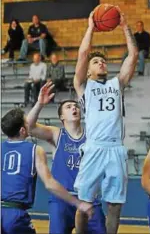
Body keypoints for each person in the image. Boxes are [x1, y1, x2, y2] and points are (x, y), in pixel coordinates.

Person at [73, 8, 138, 234]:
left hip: (115, 149)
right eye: (96, 62)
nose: (101, 63)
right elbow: (83, 55)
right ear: (89, 71)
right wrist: (91, 27)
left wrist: (125, 27)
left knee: (115, 205)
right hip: (94, 147)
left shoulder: (116, 84)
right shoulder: (83, 86)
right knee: (84, 203)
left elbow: (132, 56)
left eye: (102, 61)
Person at [26, 81, 106, 234]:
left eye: (75, 106)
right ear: (62, 116)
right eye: (68, 107)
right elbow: (28, 127)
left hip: (88, 198)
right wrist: (39, 104)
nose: (74, 108)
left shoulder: (92, 135)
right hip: (62, 198)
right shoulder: (57, 134)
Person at [1, 108, 92, 234]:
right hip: (15, 213)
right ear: (22, 130)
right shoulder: (35, 150)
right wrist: (77, 203)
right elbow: (49, 183)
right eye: (26, 122)